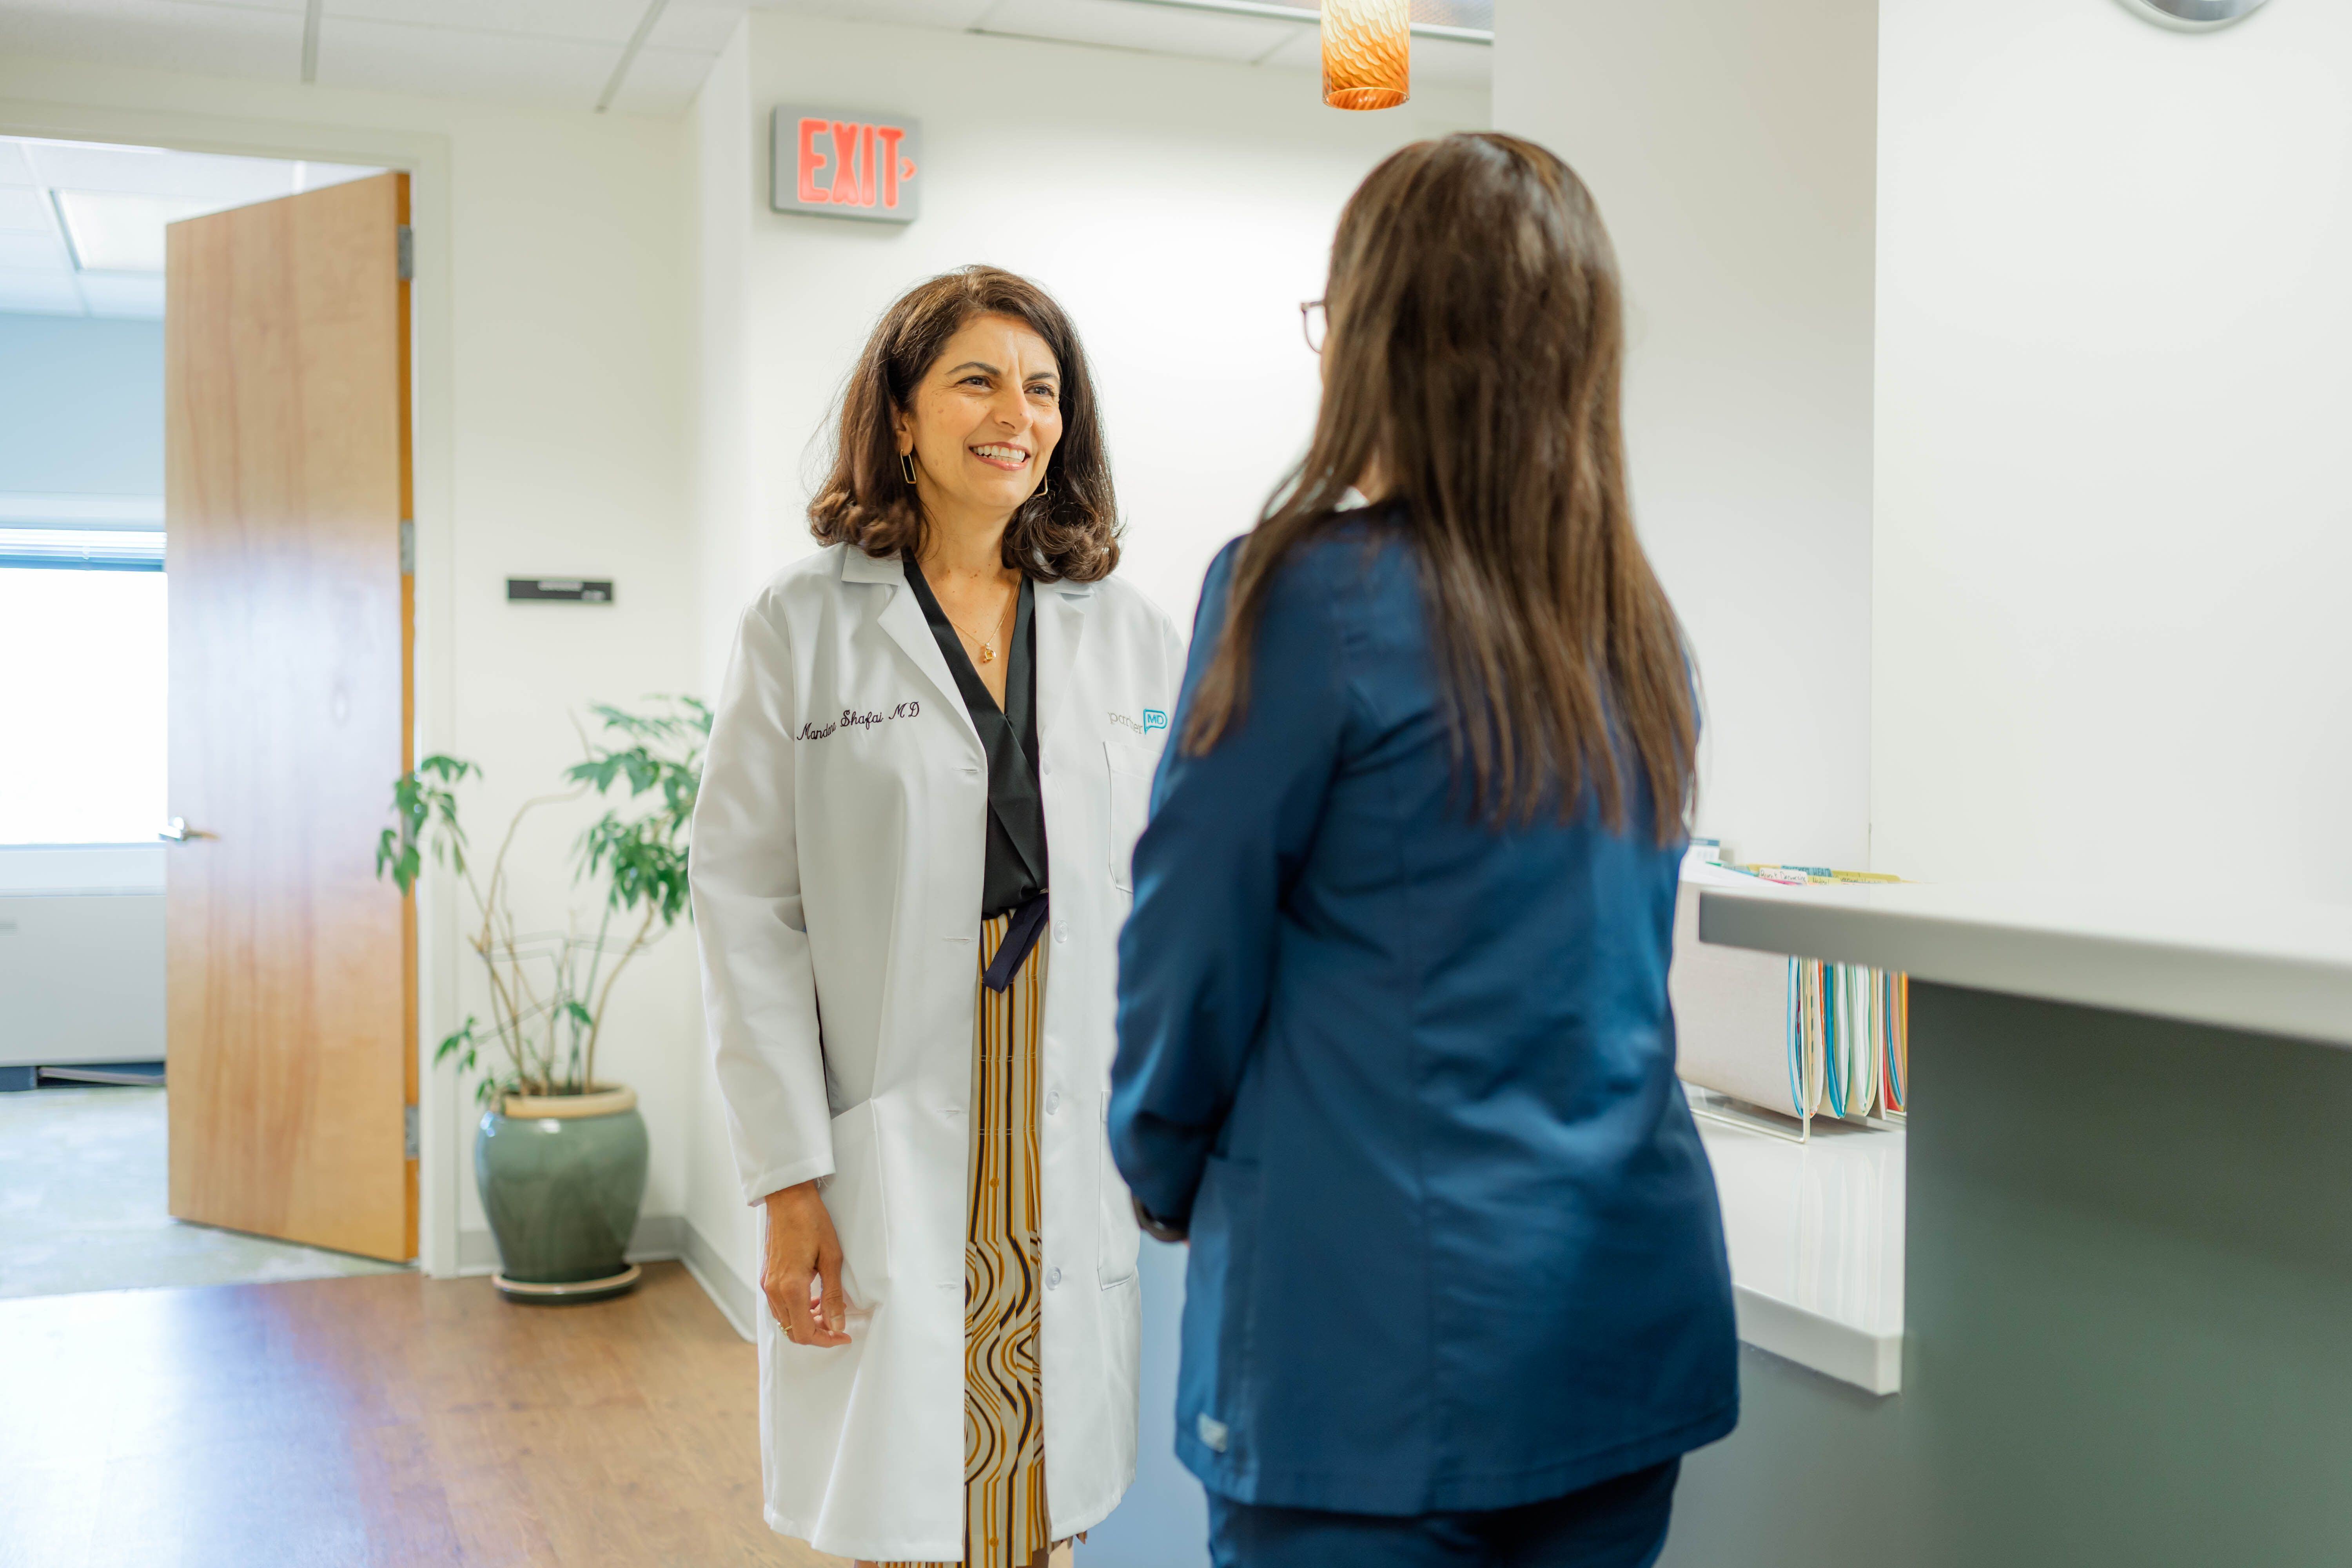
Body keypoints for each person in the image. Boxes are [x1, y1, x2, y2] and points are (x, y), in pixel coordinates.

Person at [1107, 134, 1739, 1568]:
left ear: (1381, 342)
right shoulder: (1640, 629)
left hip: (1367, 1357)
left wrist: (1157, 1162)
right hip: (1618, 1329)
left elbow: (1188, 949)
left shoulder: (1300, 594)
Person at [693, 265, 1185, 1568]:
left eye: (1042, 388)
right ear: (900, 417)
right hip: (894, 1107)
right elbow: (749, 911)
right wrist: (789, 1177)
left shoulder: (1131, 638)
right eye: (976, 379)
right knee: (907, 1511)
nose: (1014, 412)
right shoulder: (805, 628)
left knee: (1036, 1498)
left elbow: (1187, 891)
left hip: (1063, 1103)